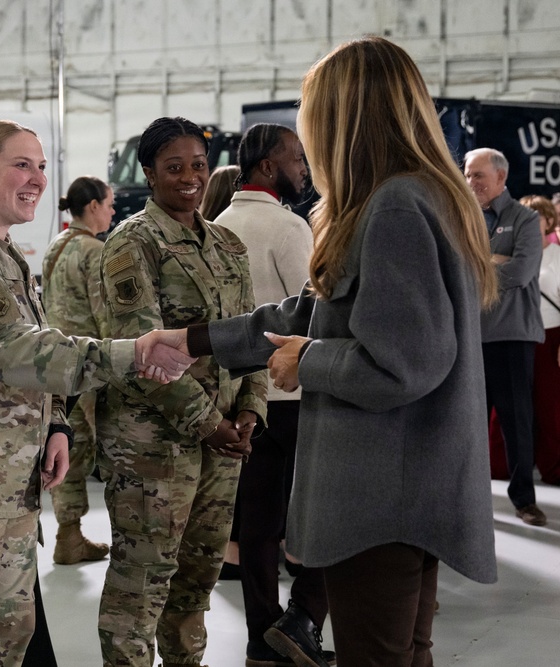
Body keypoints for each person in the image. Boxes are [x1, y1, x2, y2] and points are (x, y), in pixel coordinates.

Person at [157, 36, 499, 667]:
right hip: (411, 482)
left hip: (382, 496)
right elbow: (316, 309)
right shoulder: (415, 195)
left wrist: (303, 361)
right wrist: (195, 340)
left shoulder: (395, 205)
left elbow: (402, 363)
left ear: (344, 117)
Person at [0, 119, 191, 667]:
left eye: (42, 166)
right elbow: (16, 353)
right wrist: (137, 351)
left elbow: (29, 352)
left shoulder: (3, 255)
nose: (37, 178)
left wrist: (55, 424)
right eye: (21, 165)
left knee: (9, 639)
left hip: (4, 486)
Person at [95, 116, 267, 667]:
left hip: (221, 446)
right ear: (149, 173)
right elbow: (139, 351)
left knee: (197, 579)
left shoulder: (228, 245)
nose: (190, 177)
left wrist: (250, 411)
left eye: (198, 165)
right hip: (152, 448)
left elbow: (252, 336)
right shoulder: (131, 245)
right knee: (140, 583)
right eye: (174, 167)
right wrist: (210, 424)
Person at [212, 123, 334, 667]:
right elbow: (315, 314)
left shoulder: (214, 228)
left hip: (243, 399)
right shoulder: (289, 229)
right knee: (319, 518)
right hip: (297, 393)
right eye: (296, 158)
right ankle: (302, 622)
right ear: (267, 166)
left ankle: (262, 635)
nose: (304, 168)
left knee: (256, 523)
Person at [464, 147, 547, 526]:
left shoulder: (526, 219)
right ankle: (472, 500)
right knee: (469, 422)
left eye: (478, 175)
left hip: (512, 337)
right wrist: (494, 262)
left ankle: (524, 500)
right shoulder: (465, 220)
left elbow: (522, 272)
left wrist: (478, 268)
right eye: (467, 174)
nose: (470, 182)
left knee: (517, 421)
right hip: (471, 336)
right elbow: (454, 269)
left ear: (501, 177)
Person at [42, 175, 115, 565]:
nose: (113, 210)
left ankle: (68, 535)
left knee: (69, 450)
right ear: (92, 208)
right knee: (100, 450)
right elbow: (105, 317)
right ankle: (74, 537)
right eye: (109, 204)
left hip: (57, 367)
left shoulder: (57, 245)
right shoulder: (92, 250)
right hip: (88, 367)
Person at [520, 195, 560, 485]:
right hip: (520, 335)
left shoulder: (557, 257)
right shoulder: (519, 252)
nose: (533, 221)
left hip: (551, 336)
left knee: (549, 405)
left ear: (550, 220)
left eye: (539, 215)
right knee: (514, 404)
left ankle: (553, 465)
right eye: (527, 216)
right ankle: (505, 464)